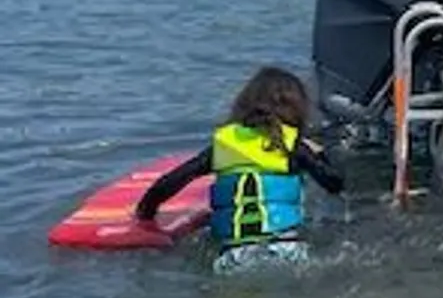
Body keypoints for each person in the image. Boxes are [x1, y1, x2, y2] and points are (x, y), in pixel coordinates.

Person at [134, 66, 344, 272]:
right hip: (288, 251)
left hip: (234, 256)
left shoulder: (225, 145)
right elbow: (333, 183)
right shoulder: (294, 146)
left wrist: (145, 211)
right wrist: (319, 154)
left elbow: (173, 180)